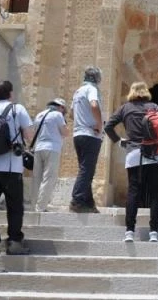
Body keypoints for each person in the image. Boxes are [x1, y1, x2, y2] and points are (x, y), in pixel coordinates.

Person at [104, 81, 158, 243]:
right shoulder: (154, 107)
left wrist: (119, 140)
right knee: (155, 194)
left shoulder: (125, 108)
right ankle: (154, 232)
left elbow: (108, 126)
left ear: (132, 92)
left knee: (133, 192)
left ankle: (130, 231)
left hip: (134, 153)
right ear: (145, 92)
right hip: (155, 154)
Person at [0, 80, 33, 255]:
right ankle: (14, 241)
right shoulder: (17, 109)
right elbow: (28, 134)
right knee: (15, 206)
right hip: (11, 165)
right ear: (10, 93)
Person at [69, 66, 104, 213]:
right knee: (87, 169)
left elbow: (71, 113)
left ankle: (89, 203)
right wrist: (98, 124)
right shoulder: (92, 89)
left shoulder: (78, 92)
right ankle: (76, 200)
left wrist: (81, 120)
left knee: (86, 169)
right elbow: (94, 105)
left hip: (78, 134)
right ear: (96, 78)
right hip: (90, 134)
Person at [29, 98, 69, 212]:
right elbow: (65, 132)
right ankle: (41, 207)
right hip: (52, 149)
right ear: (60, 107)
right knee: (49, 178)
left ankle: (34, 206)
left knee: (37, 178)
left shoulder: (39, 115)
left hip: (38, 148)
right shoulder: (57, 115)